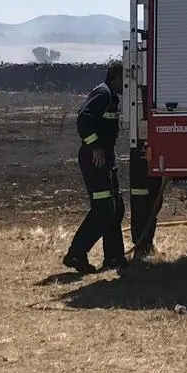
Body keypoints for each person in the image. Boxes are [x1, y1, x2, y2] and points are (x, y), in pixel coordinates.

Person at [63, 60, 128, 274]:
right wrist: (95, 147)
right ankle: (76, 254)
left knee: (115, 207)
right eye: (124, 79)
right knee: (103, 209)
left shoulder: (112, 97)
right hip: (95, 159)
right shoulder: (104, 94)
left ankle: (114, 258)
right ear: (116, 77)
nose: (126, 83)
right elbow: (84, 118)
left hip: (106, 159)